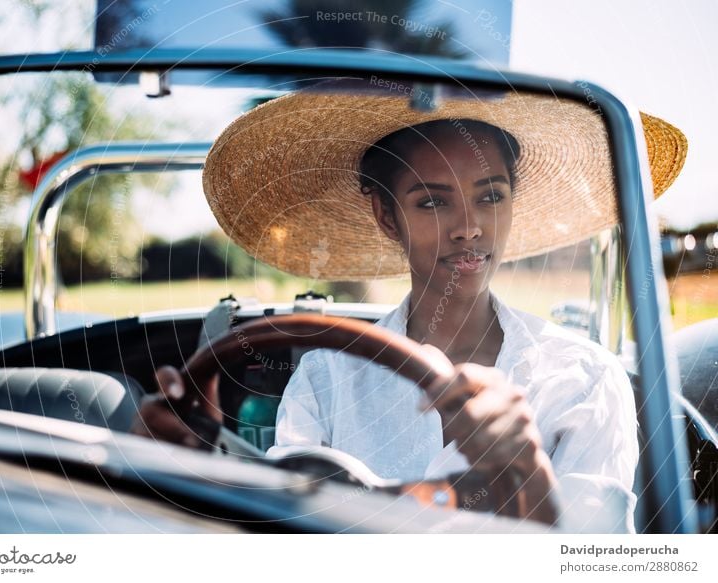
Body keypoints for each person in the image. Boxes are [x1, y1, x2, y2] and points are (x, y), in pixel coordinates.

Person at [134, 84, 688, 533]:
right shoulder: (327, 372)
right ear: (386, 217)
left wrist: (526, 471)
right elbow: (288, 529)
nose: (469, 226)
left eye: (491, 195)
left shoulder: (586, 377)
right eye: (431, 201)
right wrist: (198, 471)